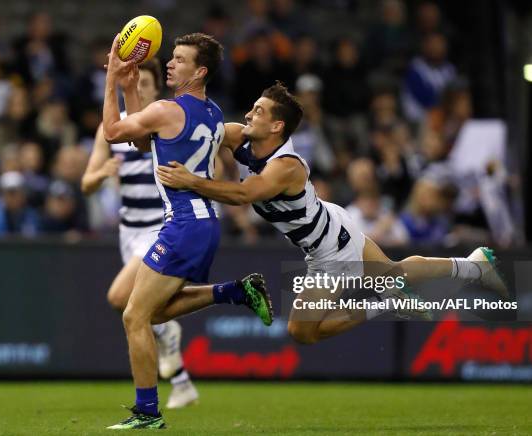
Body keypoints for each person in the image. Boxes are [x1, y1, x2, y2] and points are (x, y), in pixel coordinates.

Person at [157, 81, 509, 346]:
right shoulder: (241, 136)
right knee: (394, 273)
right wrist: (152, 125)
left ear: (277, 127)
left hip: (331, 251)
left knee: (302, 332)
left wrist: (192, 181)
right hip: (331, 220)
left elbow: (245, 194)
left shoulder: (286, 166)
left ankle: (391, 301)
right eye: (252, 108)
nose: (249, 115)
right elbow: (199, 133)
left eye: (259, 111)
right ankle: (472, 265)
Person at [102, 33, 273, 429]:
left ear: (200, 71)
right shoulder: (212, 112)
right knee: (153, 313)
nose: (170, 63)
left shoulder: (166, 109)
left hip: (184, 224)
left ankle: (147, 412)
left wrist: (111, 81)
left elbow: (113, 133)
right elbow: (147, 146)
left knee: (134, 317)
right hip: (201, 223)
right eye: (172, 57)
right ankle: (234, 292)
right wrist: (131, 87)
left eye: (179, 59)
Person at [81, 58, 199, 410]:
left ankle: (157, 380)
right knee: (147, 310)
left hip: (159, 226)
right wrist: (101, 172)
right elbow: (86, 184)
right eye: (135, 81)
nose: (140, 87)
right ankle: (181, 382)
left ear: (155, 88)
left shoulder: (164, 126)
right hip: (128, 231)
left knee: (121, 298)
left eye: (145, 83)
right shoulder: (111, 130)